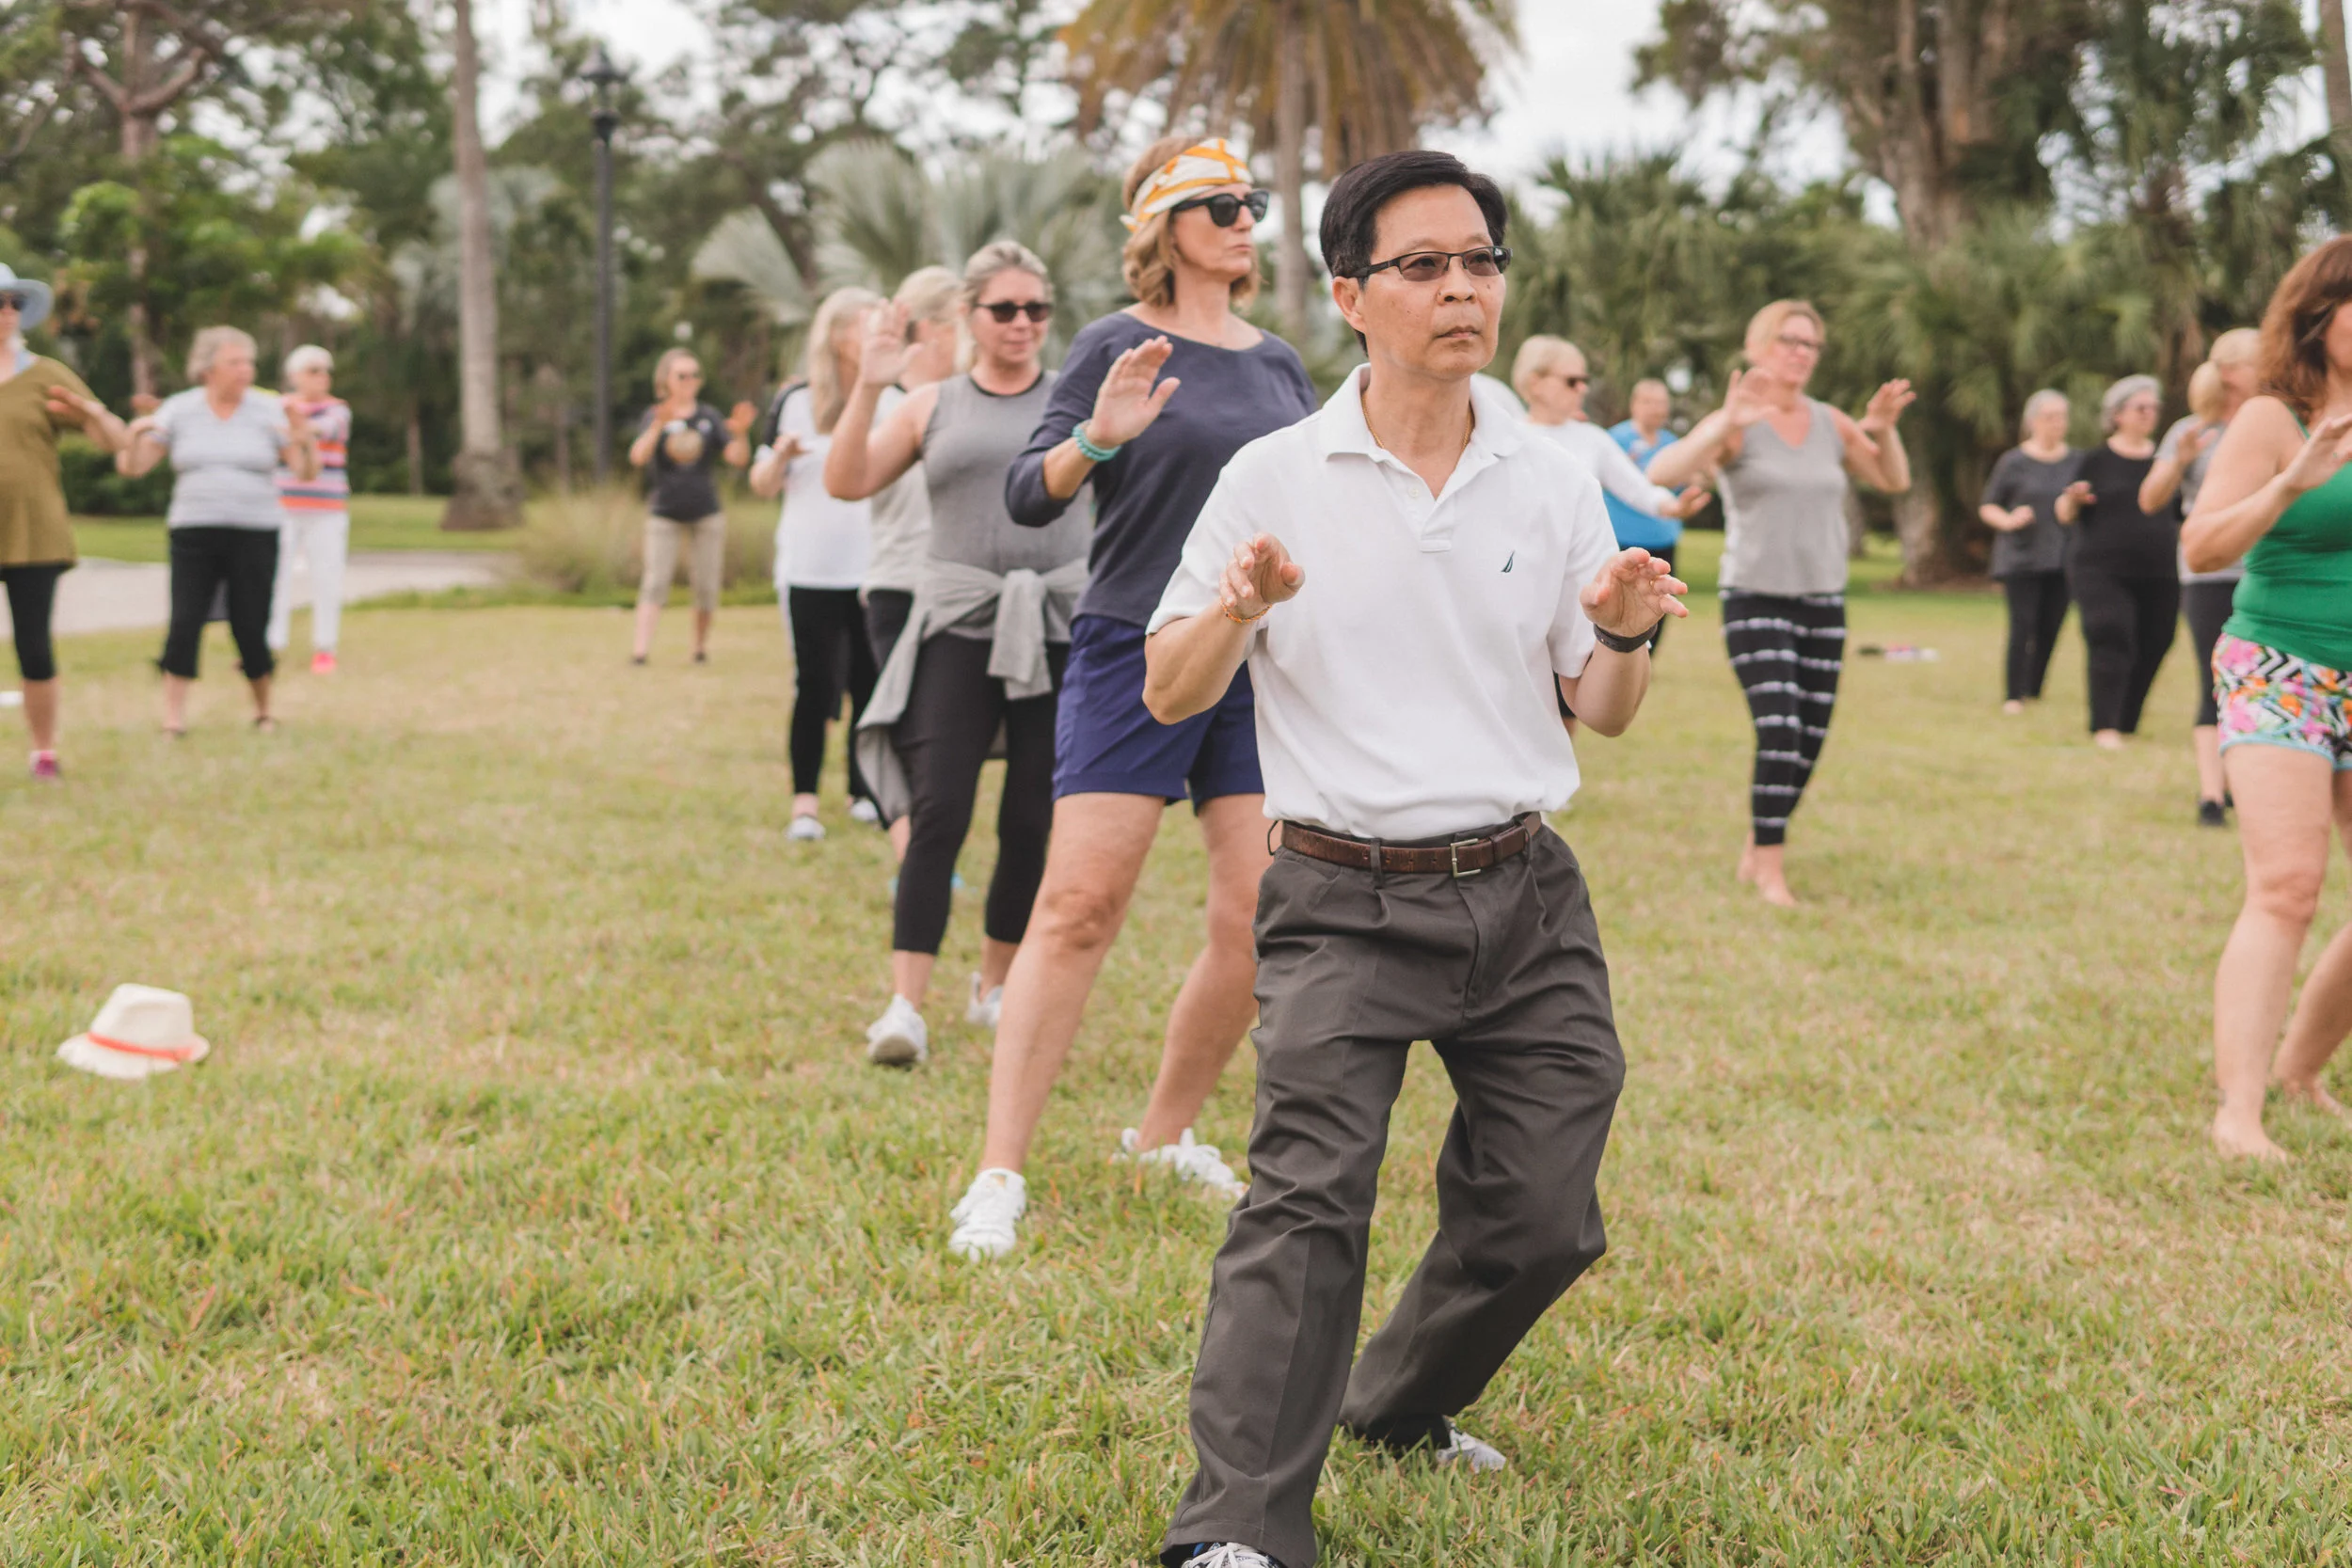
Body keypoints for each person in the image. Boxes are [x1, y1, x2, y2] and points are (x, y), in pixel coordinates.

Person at [1143, 148, 1686, 1568]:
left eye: (1482, 262)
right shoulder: (1273, 475)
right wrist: (1242, 606)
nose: (1462, 287)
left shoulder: (1550, 474)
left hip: (1523, 889)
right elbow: (1169, 689)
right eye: (1426, 264)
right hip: (1338, 891)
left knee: (1545, 1214)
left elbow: (1604, 709)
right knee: (1306, 1199)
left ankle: (1396, 1404)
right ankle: (1238, 1529)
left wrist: (1626, 625)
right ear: (1350, 295)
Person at [944, 135, 1319, 1260]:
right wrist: (1096, 442)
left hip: (1251, 658)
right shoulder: (1118, 341)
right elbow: (1027, 488)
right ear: (1164, 227)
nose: (1245, 216)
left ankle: (1162, 1131)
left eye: (1253, 199)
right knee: (1079, 907)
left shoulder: (1281, 366)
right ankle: (998, 1169)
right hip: (1127, 646)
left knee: (1258, 916)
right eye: (1219, 203)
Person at [828, 243, 1089, 1064]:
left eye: (1036, 310)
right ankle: (905, 1007)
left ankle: (994, 986)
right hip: (957, 624)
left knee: (1030, 820)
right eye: (1004, 309)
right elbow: (846, 480)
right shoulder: (933, 402)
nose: (1022, 324)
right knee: (938, 810)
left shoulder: (1076, 404)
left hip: (1055, 627)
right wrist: (871, 383)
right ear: (969, 317)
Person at [1646, 301, 1914, 907]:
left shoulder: (1830, 422)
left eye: (1811, 344)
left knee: (1809, 740)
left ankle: (1759, 840)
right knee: (1781, 729)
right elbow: (1665, 469)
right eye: (1790, 340)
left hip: (1823, 601)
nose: (1801, 352)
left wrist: (1884, 429)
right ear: (1759, 345)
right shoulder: (1737, 421)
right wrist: (1721, 424)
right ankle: (1770, 867)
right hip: (1755, 596)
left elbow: (1892, 480)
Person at [2180, 237, 2352, 1162]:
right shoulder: (2270, 418)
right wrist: (2292, 482)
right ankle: (2236, 1110)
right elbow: (2202, 547)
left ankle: (2298, 1069)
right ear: (2320, 318)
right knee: (2286, 886)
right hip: (2278, 661)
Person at [119, 326, 317, 736]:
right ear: (207, 368)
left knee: (250, 623)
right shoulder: (180, 409)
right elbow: (134, 468)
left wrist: (305, 439)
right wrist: (136, 433)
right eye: (235, 362)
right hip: (194, 530)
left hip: (255, 530)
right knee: (185, 621)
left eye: (249, 362)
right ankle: (174, 719)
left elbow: (305, 471)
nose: (245, 370)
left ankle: (263, 711)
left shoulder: (269, 409)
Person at [751, 286, 890, 839]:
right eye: (865, 325)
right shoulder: (795, 402)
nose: (878, 336)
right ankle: (804, 803)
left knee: (871, 684)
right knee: (814, 687)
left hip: (878, 569)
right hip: (811, 569)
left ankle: (865, 790)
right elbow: (761, 484)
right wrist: (781, 456)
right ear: (836, 336)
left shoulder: (898, 399)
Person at [0, 262, 130, 779]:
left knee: (34, 644)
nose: (6, 312)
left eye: (12, 303)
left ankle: (43, 752)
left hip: (33, 531)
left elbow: (114, 441)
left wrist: (94, 414)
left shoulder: (47, 374)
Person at [1511, 337, 1705, 655]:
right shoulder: (1506, 435)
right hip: (1520, 579)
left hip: (1579, 580)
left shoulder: (1593, 440)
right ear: (1536, 383)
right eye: (1573, 381)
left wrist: (1672, 506)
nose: (1583, 389)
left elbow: (1637, 488)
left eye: (1585, 381)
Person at [2145, 329, 2262, 823]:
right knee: (2212, 681)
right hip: (2209, 576)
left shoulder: (2275, 425)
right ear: (2234, 372)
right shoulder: (2190, 431)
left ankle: (2244, 783)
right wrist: (2181, 462)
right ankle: (2212, 795)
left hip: (2265, 571)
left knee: (2258, 684)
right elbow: (2150, 501)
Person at [2055, 374, 2176, 751]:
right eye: (2140, 407)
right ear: (2118, 414)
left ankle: (2126, 722)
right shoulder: (2095, 460)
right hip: (2101, 570)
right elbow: (2062, 511)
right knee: (2111, 633)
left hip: (2160, 571)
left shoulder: (2166, 461)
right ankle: (2104, 724)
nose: (2148, 414)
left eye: (2153, 408)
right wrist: (2074, 501)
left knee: (2156, 640)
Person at [859, 265, 961, 678]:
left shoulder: (970, 400)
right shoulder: (880, 405)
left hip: (963, 591)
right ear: (930, 329)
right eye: (962, 323)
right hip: (901, 586)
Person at [628, 347, 753, 665]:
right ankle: (640, 651)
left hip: (705, 510)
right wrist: (659, 426)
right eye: (682, 375)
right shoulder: (655, 416)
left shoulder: (708, 417)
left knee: (707, 585)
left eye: (695, 375)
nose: (689, 381)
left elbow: (737, 460)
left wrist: (740, 435)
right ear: (666, 379)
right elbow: (638, 458)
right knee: (656, 581)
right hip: (665, 511)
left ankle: (699, 648)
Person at [1979, 388, 2079, 715]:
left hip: (2062, 556)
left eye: (2062, 417)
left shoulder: (2077, 461)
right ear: (2033, 421)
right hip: (2021, 556)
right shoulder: (2014, 462)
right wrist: (2008, 520)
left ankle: (2034, 688)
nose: (2057, 424)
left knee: (2051, 627)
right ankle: (2013, 695)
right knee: (2023, 625)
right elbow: (1988, 506)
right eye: (2050, 417)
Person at [266, 345, 355, 674]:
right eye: (314, 370)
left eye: (325, 371)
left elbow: (323, 430)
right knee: (274, 577)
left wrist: (297, 425)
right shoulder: (276, 408)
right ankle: (270, 645)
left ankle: (325, 647)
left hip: (327, 508)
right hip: (283, 507)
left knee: (326, 576)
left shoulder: (337, 410)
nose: (323, 377)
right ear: (295, 376)